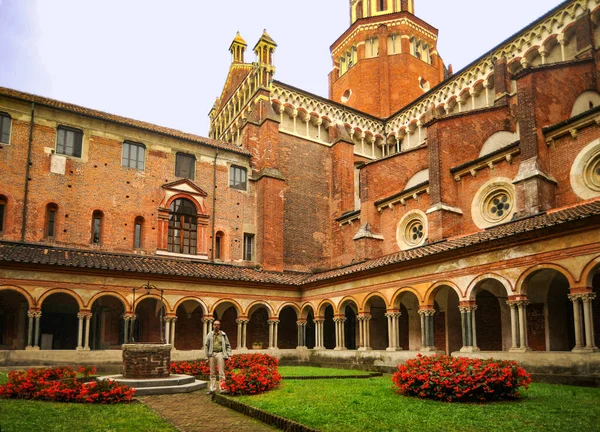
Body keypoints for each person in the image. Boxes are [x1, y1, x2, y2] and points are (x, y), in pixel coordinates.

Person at [204, 320, 232, 394]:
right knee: (212, 372)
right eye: (215, 324)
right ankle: (212, 389)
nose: (216, 326)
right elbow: (206, 346)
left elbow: (228, 345)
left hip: (220, 353)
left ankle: (222, 388)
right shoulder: (209, 334)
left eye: (218, 325)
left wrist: (229, 355)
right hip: (212, 354)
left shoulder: (223, 334)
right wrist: (206, 357)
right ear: (213, 325)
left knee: (221, 372)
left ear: (219, 326)